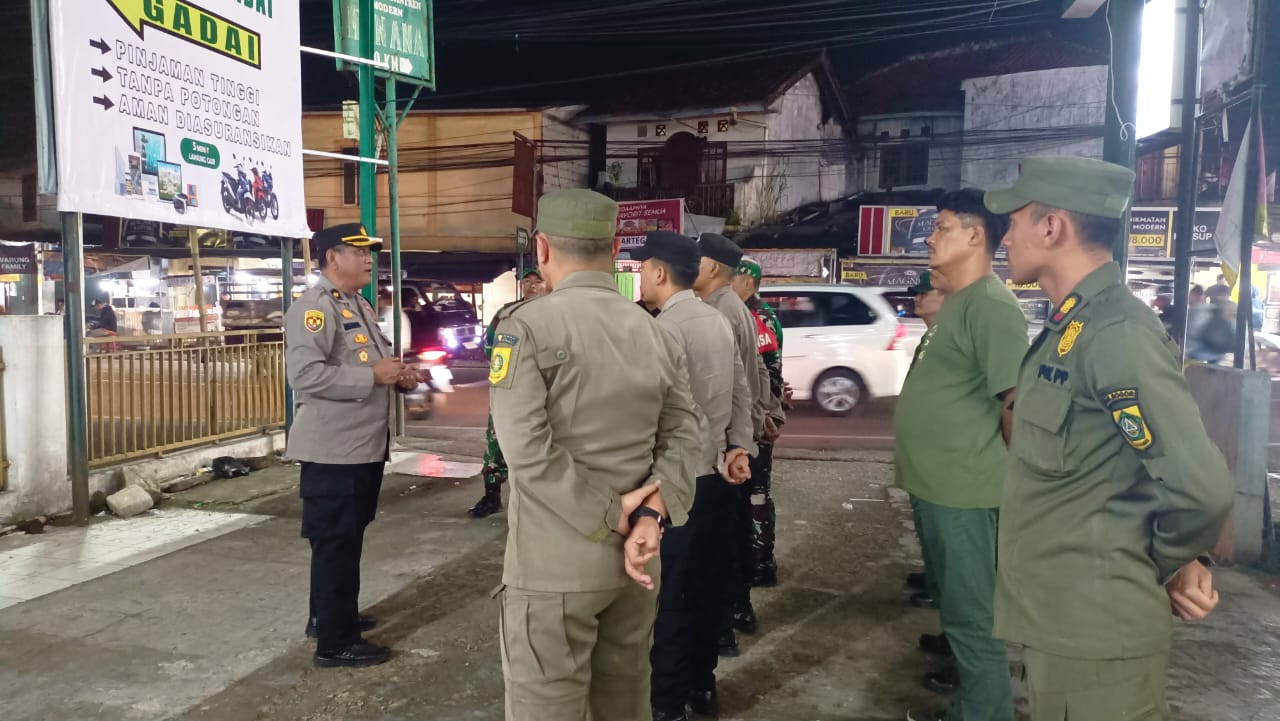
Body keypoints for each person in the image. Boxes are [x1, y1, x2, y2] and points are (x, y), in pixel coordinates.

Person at [986, 156, 1234, 720]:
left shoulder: (1115, 332)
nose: (1005, 237)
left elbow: (1202, 489)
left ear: (1052, 228)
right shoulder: (1072, 326)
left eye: (1015, 221)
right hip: (1064, 622)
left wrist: (1168, 562)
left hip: (1096, 628)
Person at [488, 189, 701, 721]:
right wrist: (652, 512)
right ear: (612, 246)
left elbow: (528, 455)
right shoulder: (656, 332)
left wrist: (614, 512)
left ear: (541, 248)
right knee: (624, 706)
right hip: (636, 566)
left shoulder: (525, 328)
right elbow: (684, 433)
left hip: (554, 570)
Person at [896, 189, 1027, 721]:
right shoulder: (962, 304)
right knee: (960, 611)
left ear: (976, 236)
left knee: (975, 622)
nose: (930, 236)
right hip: (941, 487)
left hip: (967, 493)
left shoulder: (993, 306)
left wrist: (1023, 490)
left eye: (942, 226)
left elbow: (1017, 403)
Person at [284, 223, 419, 669]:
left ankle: (329, 617)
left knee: (344, 539)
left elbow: (373, 362)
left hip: (360, 447)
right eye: (358, 251)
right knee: (335, 543)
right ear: (330, 258)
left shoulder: (356, 304)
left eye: (369, 252)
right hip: (332, 450)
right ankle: (335, 645)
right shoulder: (313, 309)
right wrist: (372, 377)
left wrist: (399, 378)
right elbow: (305, 377)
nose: (368, 259)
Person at [635, 231, 755, 721]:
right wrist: (736, 446)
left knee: (670, 597)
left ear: (660, 273)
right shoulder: (716, 319)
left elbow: (663, 413)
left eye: (642, 268)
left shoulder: (661, 329)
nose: (640, 277)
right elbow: (742, 388)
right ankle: (702, 684)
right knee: (707, 586)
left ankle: (666, 701)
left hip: (677, 484)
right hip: (717, 478)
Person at [693, 233, 773, 657]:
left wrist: (736, 442)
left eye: (696, 257)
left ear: (710, 268)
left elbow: (736, 382)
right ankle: (738, 609)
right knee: (734, 529)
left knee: (721, 540)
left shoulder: (719, 310)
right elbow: (755, 370)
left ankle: (726, 622)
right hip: (738, 441)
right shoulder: (732, 308)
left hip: (726, 447)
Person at [469, 269, 548, 518]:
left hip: (545, 390)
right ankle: (492, 497)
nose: (532, 286)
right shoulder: (507, 313)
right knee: (497, 440)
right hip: (509, 387)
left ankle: (540, 502)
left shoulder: (555, 313)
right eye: (527, 281)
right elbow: (489, 346)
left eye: (538, 281)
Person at [730, 256, 786, 589]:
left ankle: (762, 560)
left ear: (748, 281)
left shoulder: (758, 317)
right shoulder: (749, 313)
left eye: (732, 279)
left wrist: (767, 414)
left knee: (758, 493)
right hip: (756, 416)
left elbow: (766, 375)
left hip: (760, 420)